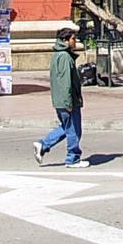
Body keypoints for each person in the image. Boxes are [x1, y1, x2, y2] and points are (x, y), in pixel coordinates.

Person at [33, 27, 88, 168]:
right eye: (73, 39)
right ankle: (73, 159)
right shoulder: (64, 56)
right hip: (67, 100)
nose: (75, 42)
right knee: (74, 130)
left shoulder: (58, 55)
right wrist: (67, 101)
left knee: (66, 127)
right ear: (65, 40)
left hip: (61, 99)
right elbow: (65, 82)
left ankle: (43, 145)